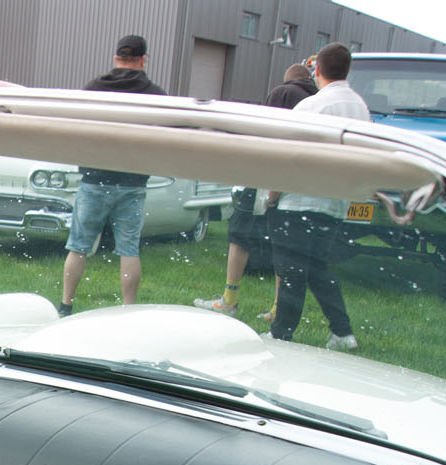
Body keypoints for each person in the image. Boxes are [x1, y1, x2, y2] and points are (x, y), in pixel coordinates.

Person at [266, 44, 370, 350]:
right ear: (347, 70)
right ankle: (342, 332)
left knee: (292, 272)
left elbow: (289, 156)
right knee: (316, 269)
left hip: (299, 200)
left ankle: (281, 335)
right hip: (334, 202)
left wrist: (273, 194)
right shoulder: (360, 108)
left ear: (318, 71)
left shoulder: (311, 107)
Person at [193, 63, 317, 318]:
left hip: (266, 174)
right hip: (298, 181)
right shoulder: (315, 99)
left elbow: (265, 133)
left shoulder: (282, 93)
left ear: (288, 79)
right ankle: (277, 308)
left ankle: (229, 299)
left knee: (239, 235)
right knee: (283, 247)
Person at [57, 35, 165, 316]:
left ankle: (66, 305)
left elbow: (76, 126)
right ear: (143, 60)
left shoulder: (95, 88)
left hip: (94, 178)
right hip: (133, 181)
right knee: (129, 249)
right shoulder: (155, 94)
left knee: (79, 246)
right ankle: (128, 311)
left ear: (116, 58)